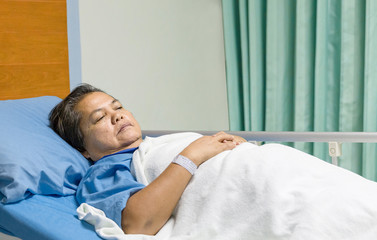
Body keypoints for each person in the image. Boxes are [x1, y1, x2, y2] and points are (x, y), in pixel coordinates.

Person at [49, 83, 246, 235]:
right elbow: (138, 222)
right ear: (83, 149)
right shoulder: (102, 173)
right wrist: (191, 156)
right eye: (100, 118)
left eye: (118, 107)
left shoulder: (159, 145)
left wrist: (234, 146)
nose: (117, 116)